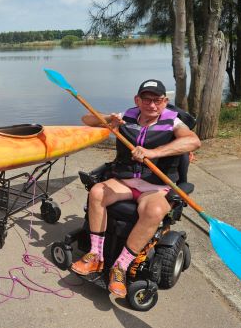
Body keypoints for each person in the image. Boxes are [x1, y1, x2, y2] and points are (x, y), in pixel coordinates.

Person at [70, 79, 201, 298]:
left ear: (165, 101)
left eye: (157, 100)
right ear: (137, 100)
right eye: (147, 99)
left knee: (156, 211)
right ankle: (95, 256)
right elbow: (87, 119)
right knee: (97, 192)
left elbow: (193, 142)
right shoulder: (127, 116)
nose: (152, 105)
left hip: (155, 187)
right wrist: (110, 119)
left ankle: (120, 267)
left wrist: (154, 152)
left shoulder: (174, 122)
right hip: (125, 181)